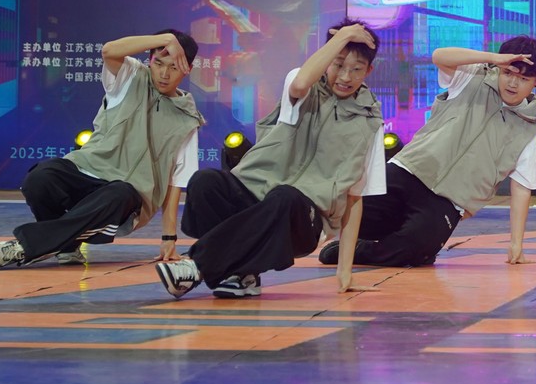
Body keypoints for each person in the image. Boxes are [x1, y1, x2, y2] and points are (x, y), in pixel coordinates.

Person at [155, 20, 385, 299]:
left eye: (356, 69)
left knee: (284, 196)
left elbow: (355, 198)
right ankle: (243, 274)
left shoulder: (370, 122)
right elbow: (301, 83)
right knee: (206, 181)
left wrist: (344, 271)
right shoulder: (303, 85)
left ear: (369, 71)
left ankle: (195, 266)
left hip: (303, 219)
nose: (345, 77)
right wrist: (344, 36)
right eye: (338, 65)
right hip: (256, 194)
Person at [318, 36, 536, 269]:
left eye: (523, 78)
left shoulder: (528, 128)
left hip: (448, 202)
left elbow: (522, 187)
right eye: (508, 73)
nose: (512, 83)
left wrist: (516, 244)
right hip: (409, 171)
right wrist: (494, 58)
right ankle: (394, 236)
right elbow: (439, 56)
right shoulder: (472, 77)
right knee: (344, 213)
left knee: (416, 248)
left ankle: (365, 250)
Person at [0, 30, 204, 269]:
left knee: (119, 193)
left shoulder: (187, 119)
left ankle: (23, 248)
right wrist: (165, 40)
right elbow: (109, 50)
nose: (164, 74)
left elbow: (175, 181)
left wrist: (169, 238)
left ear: (188, 69)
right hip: (88, 169)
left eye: (174, 67)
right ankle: (66, 247)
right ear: (149, 60)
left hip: (127, 196)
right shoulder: (130, 76)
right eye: (158, 63)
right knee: (39, 178)